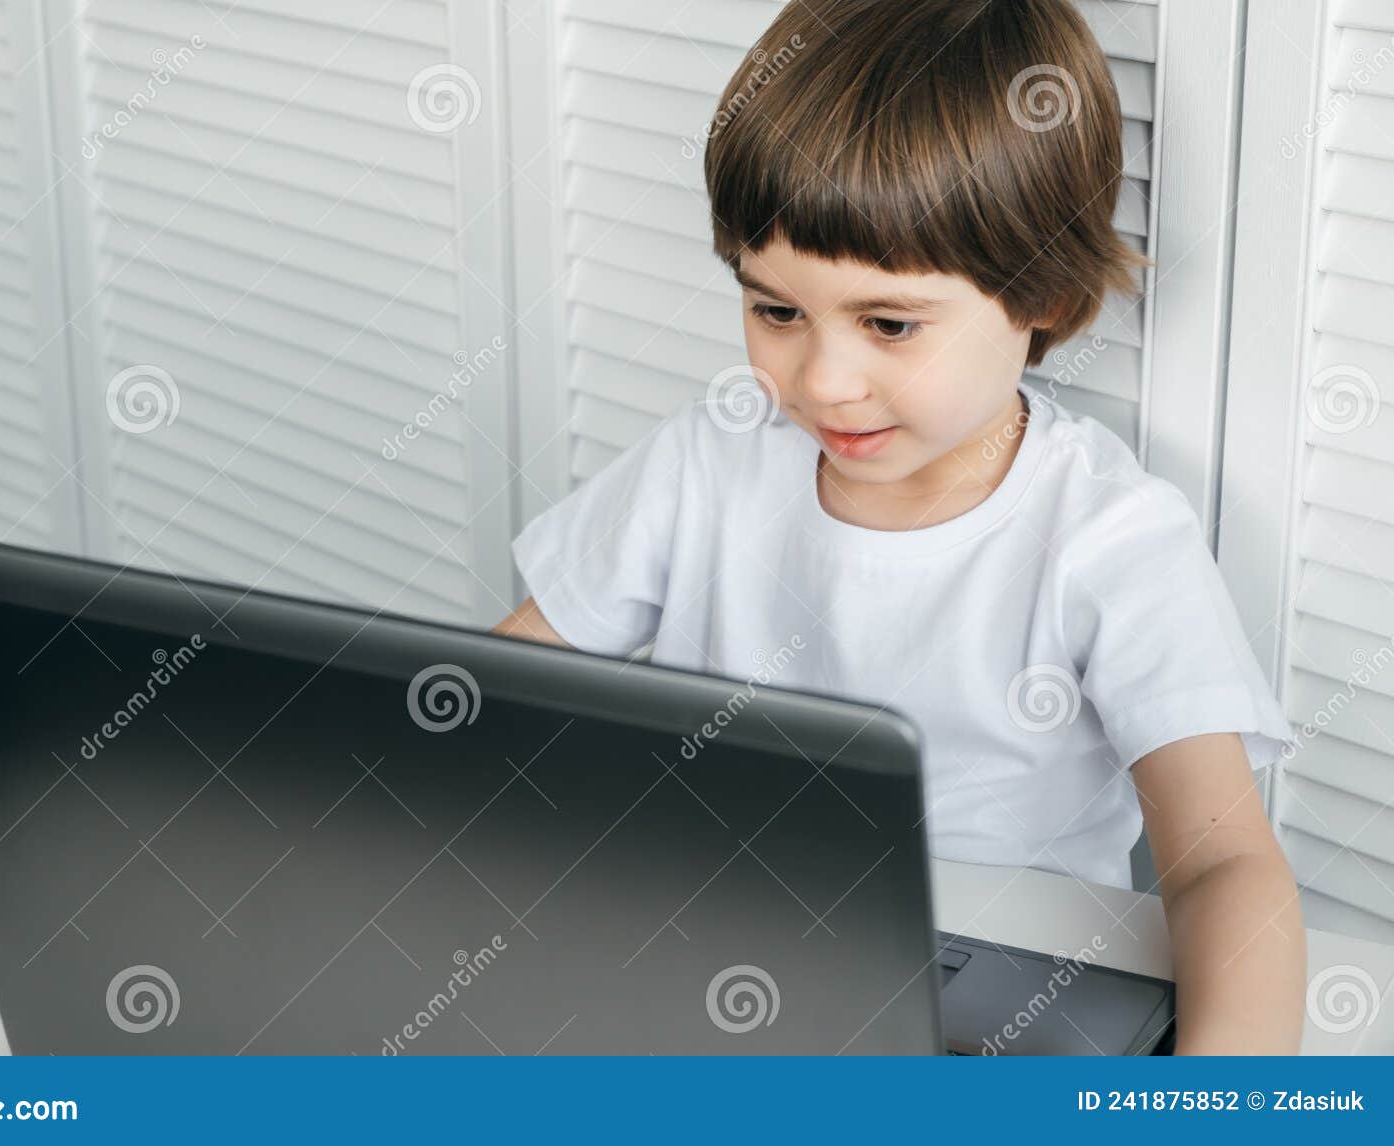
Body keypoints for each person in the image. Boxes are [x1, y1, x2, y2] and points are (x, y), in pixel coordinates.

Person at [494, 0, 1305, 1054]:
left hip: (982, 1004)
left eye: (887, 323)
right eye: (776, 311)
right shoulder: (710, 454)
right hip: (708, 954)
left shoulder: (1109, 538)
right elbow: (509, 689)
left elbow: (1224, 862)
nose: (822, 381)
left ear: (1046, 293)